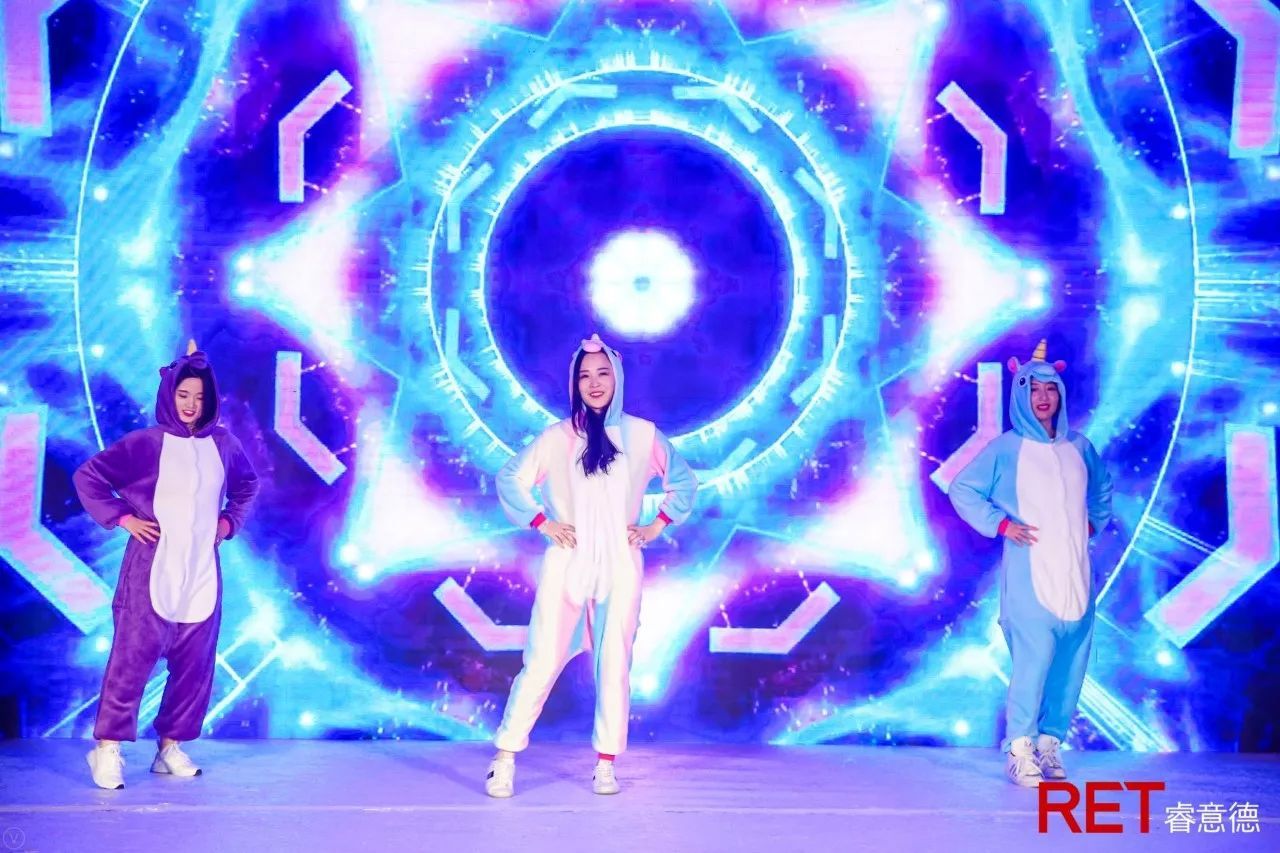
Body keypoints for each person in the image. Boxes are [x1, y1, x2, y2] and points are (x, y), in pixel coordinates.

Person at [486, 334, 697, 797]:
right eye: (585, 375)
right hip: (567, 561)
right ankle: (504, 757)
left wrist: (654, 526)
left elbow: (683, 482)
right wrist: (542, 521)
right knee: (541, 659)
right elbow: (511, 478)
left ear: (617, 378)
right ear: (574, 383)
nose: (594, 383)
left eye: (603, 373)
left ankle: (605, 763)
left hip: (621, 564)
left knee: (614, 663)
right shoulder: (557, 438)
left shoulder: (642, 435)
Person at [74, 341, 259, 789]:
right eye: (183, 395)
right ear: (169, 395)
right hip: (151, 568)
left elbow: (247, 485)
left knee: (194, 666)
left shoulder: (224, 444)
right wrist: (123, 517)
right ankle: (107, 749)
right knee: (132, 661)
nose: (191, 404)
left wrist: (228, 522)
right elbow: (89, 477)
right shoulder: (146, 443)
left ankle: (170, 746)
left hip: (201, 571)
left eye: (199, 396)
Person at [948, 340, 1113, 787]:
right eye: (1033, 388)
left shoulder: (1079, 447)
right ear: (1020, 393)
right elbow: (963, 489)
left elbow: (1101, 488)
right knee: (1033, 664)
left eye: (1050, 388)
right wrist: (1001, 524)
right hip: (1030, 580)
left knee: (1070, 668)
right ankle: (1019, 749)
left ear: (1060, 393)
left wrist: (1093, 523)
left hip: (1077, 579)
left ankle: (1049, 744)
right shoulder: (1007, 448)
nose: (1042, 397)